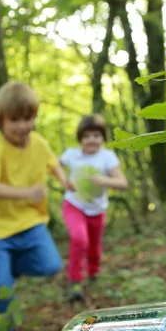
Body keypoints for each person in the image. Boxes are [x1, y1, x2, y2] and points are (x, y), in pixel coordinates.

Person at [0, 81, 69, 331]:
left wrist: (65, 181)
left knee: (51, 265)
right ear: (1, 120)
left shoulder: (38, 143)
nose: (22, 126)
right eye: (15, 120)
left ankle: (13, 266)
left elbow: (53, 164)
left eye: (28, 118)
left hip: (30, 221)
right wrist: (27, 193)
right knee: (1, 286)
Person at [60, 114, 128, 302]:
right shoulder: (71, 154)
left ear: (102, 138)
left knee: (94, 246)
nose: (92, 140)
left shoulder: (107, 157)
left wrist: (104, 180)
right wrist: (64, 181)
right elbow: (53, 167)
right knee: (79, 238)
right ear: (80, 138)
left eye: (96, 136)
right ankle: (75, 280)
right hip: (74, 204)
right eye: (87, 136)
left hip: (97, 209)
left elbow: (123, 182)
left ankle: (93, 271)